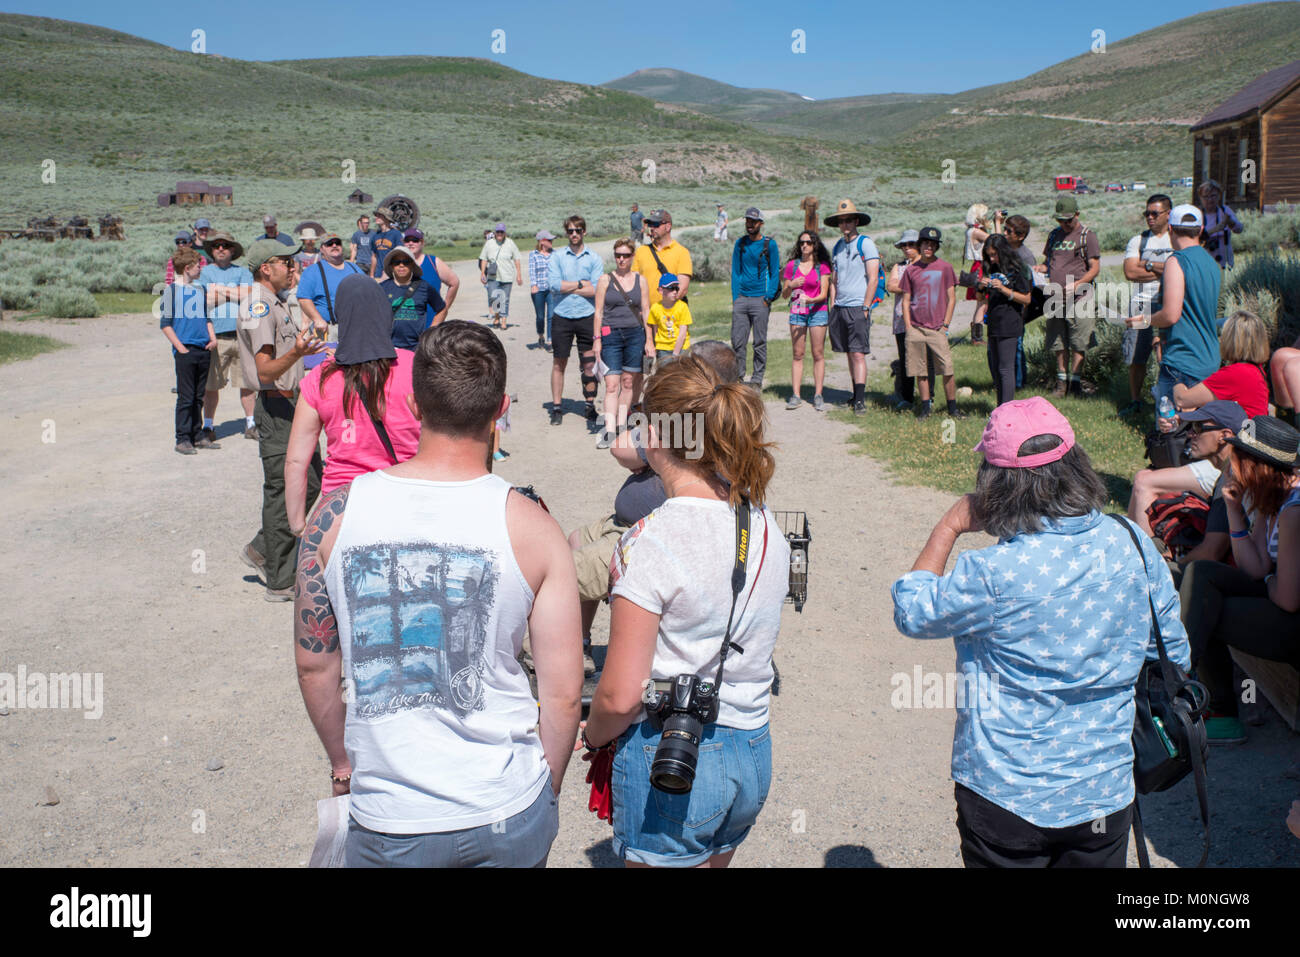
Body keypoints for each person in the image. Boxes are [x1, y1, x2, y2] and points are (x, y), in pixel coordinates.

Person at [293, 321, 583, 867]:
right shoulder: (534, 526)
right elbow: (564, 693)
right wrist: (546, 792)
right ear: (501, 408)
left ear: (412, 401)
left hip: (389, 817)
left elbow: (315, 667)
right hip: (506, 804)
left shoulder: (332, 516)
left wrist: (342, 765)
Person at [892, 397, 1189, 867]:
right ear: (1077, 464)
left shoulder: (990, 572)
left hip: (1005, 795)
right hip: (1104, 789)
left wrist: (949, 526)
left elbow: (911, 610)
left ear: (996, 484)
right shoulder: (1133, 544)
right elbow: (1173, 652)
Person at [581, 354, 789, 868]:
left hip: (675, 759)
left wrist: (594, 735)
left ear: (656, 432)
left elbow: (621, 693)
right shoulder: (764, 522)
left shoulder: (649, 540)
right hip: (751, 748)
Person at [569, 341, 741, 675]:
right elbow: (620, 448)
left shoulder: (700, 430)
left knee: (559, 573)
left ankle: (542, 659)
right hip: (624, 520)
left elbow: (622, 449)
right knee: (577, 538)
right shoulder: (685, 423)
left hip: (645, 534)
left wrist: (652, 440)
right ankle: (580, 643)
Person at [1180, 416, 1300, 744]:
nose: (1232, 465)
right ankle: (1187, 675)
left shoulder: (1294, 511)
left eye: (1240, 457)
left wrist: (1273, 577)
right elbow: (1256, 568)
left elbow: (1287, 596)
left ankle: (1217, 708)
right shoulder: (1273, 497)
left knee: (1208, 610)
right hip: (1281, 601)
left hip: (1293, 619)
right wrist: (1234, 509)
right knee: (1202, 576)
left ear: (1259, 465)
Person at [286, 276, 421, 537]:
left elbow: (295, 460)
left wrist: (298, 524)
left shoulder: (319, 378)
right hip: (407, 498)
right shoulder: (415, 366)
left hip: (342, 507)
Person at [236, 239, 325, 601]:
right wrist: (298, 353)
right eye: (285, 262)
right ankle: (280, 580)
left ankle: (261, 548)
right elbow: (265, 371)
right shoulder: (257, 306)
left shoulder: (276, 303)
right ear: (264, 268)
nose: (293, 268)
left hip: (291, 405)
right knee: (281, 492)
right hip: (276, 408)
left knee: (312, 481)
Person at [1128, 204, 1221, 414]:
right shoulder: (1210, 263)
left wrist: (1143, 320)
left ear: (1170, 229)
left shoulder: (1176, 262)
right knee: (1201, 430)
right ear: (1201, 228)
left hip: (1183, 359)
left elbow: (1170, 314)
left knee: (1171, 431)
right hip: (1210, 358)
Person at [1126, 400, 1247, 537]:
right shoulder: (1227, 474)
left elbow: (1213, 551)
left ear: (1224, 436)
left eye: (1197, 427)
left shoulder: (1228, 483)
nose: (1190, 434)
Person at [1035, 195, 1100, 398]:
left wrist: (1078, 284)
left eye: (1068, 220)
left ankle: (1076, 382)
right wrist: (1041, 269)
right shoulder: (1054, 235)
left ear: (1077, 215)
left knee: (1079, 340)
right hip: (1055, 296)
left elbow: (1094, 268)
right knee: (1058, 340)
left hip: (1080, 297)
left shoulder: (1087, 236)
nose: (1064, 224)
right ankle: (1061, 382)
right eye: (1060, 220)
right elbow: (1048, 262)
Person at [1119, 194, 1174, 417]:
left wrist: (1148, 264)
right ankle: (1135, 401)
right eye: (1147, 214)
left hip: (1167, 303)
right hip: (1140, 305)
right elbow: (1130, 272)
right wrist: (1166, 269)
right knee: (1136, 356)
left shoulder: (1176, 238)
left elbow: (1179, 269)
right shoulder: (1138, 240)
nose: (1150, 218)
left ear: (1168, 214)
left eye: (1155, 213)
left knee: (1166, 355)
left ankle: (1168, 399)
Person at [198, 231, 256, 441]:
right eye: (216, 246)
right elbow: (205, 299)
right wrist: (234, 292)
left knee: (247, 382)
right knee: (212, 384)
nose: (220, 249)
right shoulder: (205, 273)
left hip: (242, 335)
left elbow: (249, 295)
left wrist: (219, 290)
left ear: (232, 250)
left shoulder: (242, 271)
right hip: (217, 335)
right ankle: (208, 425)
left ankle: (251, 423)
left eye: (224, 245)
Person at [547, 215, 604, 427]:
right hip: (562, 315)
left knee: (589, 364)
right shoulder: (557, 257)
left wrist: (569, 286)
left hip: (587, 316)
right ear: (566, 233)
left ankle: (590, 405)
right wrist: (581, 284)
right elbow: (554, 285)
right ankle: (556, 407)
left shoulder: (594, 258)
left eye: (578, 230)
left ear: (584, 232)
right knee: (559, 362)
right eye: (570, 231)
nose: (574, 234)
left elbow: (597, 289)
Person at [593, 238, 649, 449]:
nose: (621, 259)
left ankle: (621, 425)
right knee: (611, 384)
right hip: (611, 335)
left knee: (628, 382)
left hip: (635, 334)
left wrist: (649, 340)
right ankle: (608, 429)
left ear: (632, 256)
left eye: (625, 255)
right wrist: (596, 340)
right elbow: (598, 312)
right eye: (618, 255)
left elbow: (645, 310)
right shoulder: (605, 280)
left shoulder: (640, 280)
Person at [160, 247, 217, 455]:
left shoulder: (199, 290)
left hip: (204, 348)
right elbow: (165, 324)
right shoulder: (171, 291)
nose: (200, 269)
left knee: (199, 395)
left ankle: (197, 434)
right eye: (197, 266)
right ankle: (182, 438)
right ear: (187, 268)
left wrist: (213, 337)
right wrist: (180, 347)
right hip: (186, 350)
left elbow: (206, 317)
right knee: (186, 395)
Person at [902, 227, 962, 420]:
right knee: (920, 370)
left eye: (933, 244)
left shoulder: (945, 268)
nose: (929, 247)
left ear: (937, 246)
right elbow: (906, 299)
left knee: (947, 368)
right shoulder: (911, 270)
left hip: (937, 327)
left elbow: (951, 298)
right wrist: (908, 326)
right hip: (916, 327)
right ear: (920, 245)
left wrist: (946, 325)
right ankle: (926, 408)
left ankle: (952, 408)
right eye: (926, 243)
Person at [825, 199, 879, 415]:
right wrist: (833, 303)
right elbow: (834, 279)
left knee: (858, 353)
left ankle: (860, 400)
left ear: (856, 221)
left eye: (848, 220)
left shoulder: (865, 244)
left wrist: (866, 307)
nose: (845, 224)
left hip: (858, 305)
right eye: (841, 221)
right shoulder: (838, 246)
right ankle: (855, 394)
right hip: (840, 306)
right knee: (849, 352)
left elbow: (873, 278)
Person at [1171, 309, 1270, 418]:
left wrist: (1178, 380)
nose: (1220, 339)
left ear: (1231, 340)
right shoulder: (1255, 369)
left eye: (1222, 334)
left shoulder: (1236, 373)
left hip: (1242, 433)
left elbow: (1181, 400)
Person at [728, 206, 781, 390]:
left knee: (759, 342)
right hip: (742, 299)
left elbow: (775, 273)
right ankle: (738, 378)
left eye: (753, 221)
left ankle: (757, 379)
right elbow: (735, 272)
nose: (749, 224)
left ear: (761, 223)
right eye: (747, 221)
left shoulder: (769, 245)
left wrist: (768, 297)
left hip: (760, 300)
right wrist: (736, 298)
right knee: (738, 341)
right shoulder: (740, 244)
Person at [979, 234, 1033, 407]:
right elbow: (981, 297)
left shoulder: (1018, 269)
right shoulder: (991, 267)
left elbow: (1026, 299)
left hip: (1010, 322)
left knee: (1005, 369)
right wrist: (980, 286)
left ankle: (1007, 409)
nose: (992, 259)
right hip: (994, 321)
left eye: (995, 254)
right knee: (995, 369)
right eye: (989, 255)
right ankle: (1000, 408)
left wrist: (1003, 289)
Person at [781, 229, 831, 410]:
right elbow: (785, 295)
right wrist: (791, 285)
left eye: (808, 242)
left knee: (818, 354)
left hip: (818, 311)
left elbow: (824, 294)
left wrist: (811, 300)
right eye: (801, 242)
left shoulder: (822, 266)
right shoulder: (791, 266)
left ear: (814, 245)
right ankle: (796, 395)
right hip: (797, 312)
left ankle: (818, 395)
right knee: (798, 354)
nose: (804, 245)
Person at [885, 230, 925, 411]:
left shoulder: (927, 265)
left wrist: (903, 285)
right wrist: (909, 285)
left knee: (924, 359)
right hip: (902, 319)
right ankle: (907, 397)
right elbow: (890, 285)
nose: (907, 249)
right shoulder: (899, 266)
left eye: (911, 245)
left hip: (922, 318)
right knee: (906, 359)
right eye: (904, 245)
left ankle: (927, 396)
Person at [379, 248, 444, 350]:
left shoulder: (424, 287)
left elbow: (441, 309)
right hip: (388, 347)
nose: (401, 265)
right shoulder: (382, 288)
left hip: (416, 347)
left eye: (406, 262)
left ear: (412, 265)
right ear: (391, 266)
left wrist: (431, 331)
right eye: (397, 262)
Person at [295, 233, 365, 329]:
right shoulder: (312, 271)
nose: (334, 245)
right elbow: (304, 299)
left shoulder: (354, 268)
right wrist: (317, 319)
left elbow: (368, 291)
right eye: (329, 244)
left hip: (357, 326)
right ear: (322, 249)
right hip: (329, 329)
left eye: (337, 243)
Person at [633, 209, 692, 309]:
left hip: (671, 316)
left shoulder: (682, 252)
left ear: (668, 226)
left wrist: (661, 311)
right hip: (646, 314)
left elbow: (682, 288)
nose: (651, 228)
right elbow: (634, 284)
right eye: (650, 224)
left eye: (656, 224)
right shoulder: (641, 251)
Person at [1002, 214, 1035, 390]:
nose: (1005, 233)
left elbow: (1029, 288)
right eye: (1005, 229)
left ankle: (1019, 383)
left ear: (1020, 236)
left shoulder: (1025, 257)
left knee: (1017, 346)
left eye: (1009, 231)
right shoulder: (1005, 250)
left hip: (1018, 307)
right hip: (1004, 305)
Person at [400, 228, 459, 326]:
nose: (410, 243)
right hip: (405, 326)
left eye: (415, 240)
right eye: (407, 240)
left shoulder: (433, 262)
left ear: (422, 243)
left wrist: (444, 310)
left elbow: (454, 283)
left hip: (431, 324)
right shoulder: (397, 264)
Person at [963, 204, 999, 345]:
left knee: (982, 303)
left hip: (978, 266)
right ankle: (977, 338)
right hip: (982, 267)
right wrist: (997, 223)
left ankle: (977, 336)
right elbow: (997, 240)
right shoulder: (976, 232)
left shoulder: (972, 230)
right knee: (983, 303)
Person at [479, 223, 523, 329]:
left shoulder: (510, 243)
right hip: (493, 276)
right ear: (495, 233)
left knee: (505, 299)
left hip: (507, 275)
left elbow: (517, 258)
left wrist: (519, 275)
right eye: (497, 232)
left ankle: (504, 320)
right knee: (494, 297)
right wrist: (482, 273)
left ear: (504, 233)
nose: (499, 234)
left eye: (501, 232)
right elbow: (484, 259)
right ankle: (497, 315)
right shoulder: (489, 243)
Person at [1197, 179, 1243, 270]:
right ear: (1200, 198)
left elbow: (1239, 229)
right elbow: (1195, 238)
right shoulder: (1197, 214)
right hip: (1204, 263)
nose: (1210, 200)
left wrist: (1230, 222)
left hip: (1225, 262)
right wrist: (1217, 228)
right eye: (1205, 197)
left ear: (1219, 196)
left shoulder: (1225, 210)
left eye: (1213, 196)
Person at [647, 275, 691, 365]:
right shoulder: (655, 308)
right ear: (660, 290)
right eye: (671, 288)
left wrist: (675, 354)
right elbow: (655, 330)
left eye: (676, 288)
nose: (675, 292)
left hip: (681, 348)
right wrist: (656, 347)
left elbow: (682, 334)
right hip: (663, 349)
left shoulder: (682, 307)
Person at [529, 230, 555, 348]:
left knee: (551, 315)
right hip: (538, 289)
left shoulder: (555, 254)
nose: (551, 242)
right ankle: (541, 335)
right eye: (549, 240)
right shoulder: (533, 254)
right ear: (542, 242)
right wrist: (533, 285)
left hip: (551, 289)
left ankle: (550, 339)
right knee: (540, 316)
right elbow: (532, 271)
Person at [368, 207, 403, 279]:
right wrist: (371, 275)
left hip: (392, 275)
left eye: (379, 216)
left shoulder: (396, 234)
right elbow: (374, 256)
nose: (376, 218)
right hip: (378, 274)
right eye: (376, 216)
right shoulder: (375, 235)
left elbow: (400, 254)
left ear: (387, 218)